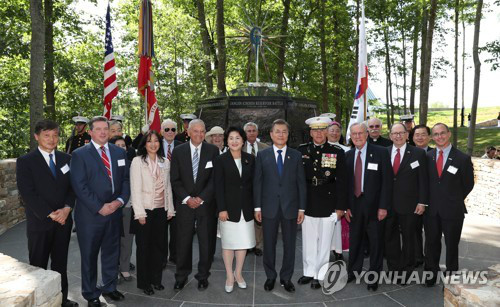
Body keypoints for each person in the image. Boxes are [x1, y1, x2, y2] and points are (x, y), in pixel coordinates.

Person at [16, 119, 78, 307]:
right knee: (38, 267)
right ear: (37, 137)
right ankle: (41, 302)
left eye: (55, 135)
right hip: (40, 223)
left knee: (60, 265)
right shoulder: (26, 161)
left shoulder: (67, 159)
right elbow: (27, 193)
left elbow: (72, 188)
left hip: (63, 222)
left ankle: (62, 300)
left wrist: (67, 209)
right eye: (46, 135)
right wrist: (51, 214)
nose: (51, 139)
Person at [70, 116, 130, 306]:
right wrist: (100, 206)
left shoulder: (119, 153)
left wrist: (119, 201)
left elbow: (126, 181)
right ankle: (91, 294)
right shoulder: (80, 154)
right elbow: (79, 185)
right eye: (98, 129)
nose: (103, 132)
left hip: (114, 212)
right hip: (90, 216)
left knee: (111, 253)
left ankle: (110, 287)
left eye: (106, 128)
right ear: (91, 132)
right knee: (89, 255)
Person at [254, 119, 307, 293]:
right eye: (277, 131)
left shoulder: (296, 155)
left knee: (290, 245)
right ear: (271, 134)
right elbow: (258, 183)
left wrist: (301, 208)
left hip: (290, 208)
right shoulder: (262, 155)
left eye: (284, 131)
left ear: (288, 134)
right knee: (268, 244)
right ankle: (270, 276)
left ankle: (286, 277)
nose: (281, 134)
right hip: (268, 208)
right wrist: (257, 208)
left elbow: (301, 184)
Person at [297, 117, 347, 289]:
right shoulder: (301, 150)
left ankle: (320, 273)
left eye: (322, 130)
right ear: (310, 133)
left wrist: (340, 206)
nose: (319, 133)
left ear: (327, 131)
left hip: (329, 200)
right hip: (308, 200)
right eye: (315, 130)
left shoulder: (337, 151)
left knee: (325, 241)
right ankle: (309, 271)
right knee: (308, 239)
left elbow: (342, 181)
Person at [170, 119, 219, 291]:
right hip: (184, 205)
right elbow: (174, 180)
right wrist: (187, 199)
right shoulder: (178, 151)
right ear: (188, 132)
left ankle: (203, 276)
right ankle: (181, 276)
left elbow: (215, 179)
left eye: (202, 131)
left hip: (205, 205)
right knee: (183, 242)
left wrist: (201, 198)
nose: (199, 134)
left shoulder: (213, 151)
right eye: (195, 131)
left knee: (206, 242)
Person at [424, 123, 475, 287]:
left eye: (442, 133)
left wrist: (454, 198)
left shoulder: (462, 158)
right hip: (431, 209)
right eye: (436, 134)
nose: (439, 137)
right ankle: (431, 273)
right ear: (432, 137)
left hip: (453, 210)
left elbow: (468, 184)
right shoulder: (427, 156)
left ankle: (452, 274)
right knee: (431, 243)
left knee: (452, 244)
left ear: (449, 134)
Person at [345, 122, 392, 292]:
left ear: (366, 134)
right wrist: (346, 207)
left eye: (360, 133)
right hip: (354, 206)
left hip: (375, 206)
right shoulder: (348, 156)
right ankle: (353, 271)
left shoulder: (381, 152)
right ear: (351, 136)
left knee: (376, 242)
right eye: (354, 134)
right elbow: (345, 185)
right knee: (355, 240)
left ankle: (374, 276)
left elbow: (387, 182)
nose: (357, 136)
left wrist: (383, 207)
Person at [130, 130, 175, 295]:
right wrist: (139, 213)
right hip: (145, 211)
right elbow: (135, 188)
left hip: (161, 210)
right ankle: (145, 282)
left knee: (159, 247)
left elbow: (168, 186)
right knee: (144, 247)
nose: (153, 144)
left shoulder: (165, 161)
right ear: (144, 144)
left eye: (156, 141)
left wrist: (170, 208)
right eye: (149, 141)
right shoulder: (137, 161)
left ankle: (156, 279)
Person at [214, 126, 256, 293]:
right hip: (228, 210)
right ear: (227, 141)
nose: (234, 141)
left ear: (243, 141)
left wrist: (255, 207)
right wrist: (221, 209)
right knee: (229, 243)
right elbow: (218, 186)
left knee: (242, 243)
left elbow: (254, 185)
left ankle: (238, 274)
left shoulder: (250, 159)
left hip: (246, 208)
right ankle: (229, 276)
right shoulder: (221, 160)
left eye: (237, 138)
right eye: (231, 138)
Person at [385, 123, 428, 281]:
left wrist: (422, 202)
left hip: (410, 204)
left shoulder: (417, 153)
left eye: (401, 133)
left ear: (407, 135)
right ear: (390, 136)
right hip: (388, 204)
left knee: (409, 238)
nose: (398, 136)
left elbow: (423, 180)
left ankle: (407, 269)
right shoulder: (384, 152)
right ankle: (393, 267)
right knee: (390, 237)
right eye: (394, 133)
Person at [109, 136, 136, 283]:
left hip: (127, 207)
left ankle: (125, 268)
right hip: (110, 209)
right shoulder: (106, 164)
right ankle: (112, 270)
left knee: (127, 240)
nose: (121, 148)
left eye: (123, 145)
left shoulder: (132, 164)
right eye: (117, 145)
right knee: (112, 241)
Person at [242, 122, 269, 257]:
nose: (251, 133)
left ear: (257, 133)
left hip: (262, 188)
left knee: (259, 219)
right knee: (246, 217)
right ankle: (247, 245)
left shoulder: (265, 148)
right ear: (245, 133)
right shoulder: (238, 148)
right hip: (245, 189)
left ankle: (258, 245)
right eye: (248, 131)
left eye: (253, 131)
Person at [325, 121, 350, 256]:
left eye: (337, 131)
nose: (334, 133)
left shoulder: (346, 150)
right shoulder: (321, 148)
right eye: (332, 130)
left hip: (339, 191)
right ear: (326, 132)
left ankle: (337, 249)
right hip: (324, 192)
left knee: (337, 223)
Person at [161, 119, 182, 265]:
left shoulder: (182, 147)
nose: (170, 132)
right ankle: (161, 258)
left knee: (177, 229)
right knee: (161, 229)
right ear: (162, 131)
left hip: (178, 194)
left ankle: (174, 256)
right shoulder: (154, 146)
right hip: (160, 194)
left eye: (173, 129)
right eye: (167, 129)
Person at [412, 124, 433, 266]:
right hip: (413, 201)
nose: (420, 137)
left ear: (429, 137)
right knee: (414, 231)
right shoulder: (408, 153)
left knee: (432, 233)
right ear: (412, 138)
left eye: (423, 134)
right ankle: (417, 256)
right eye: (417, 135)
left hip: (433, 201)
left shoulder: (435, 154)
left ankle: (430, 261)